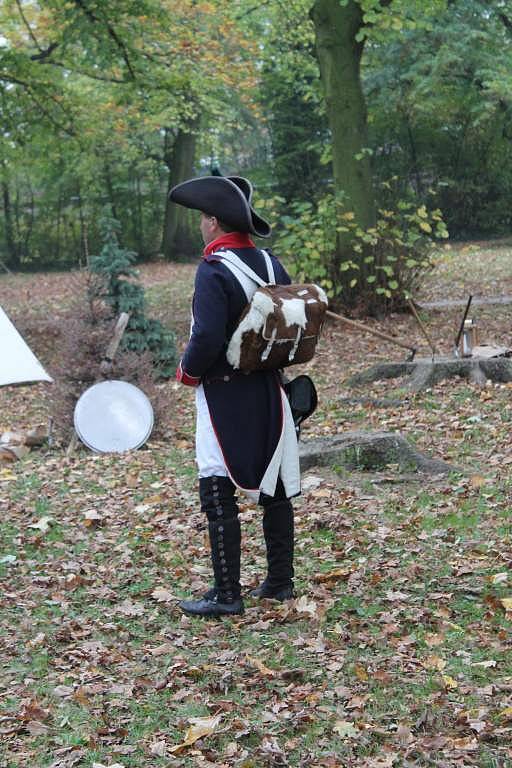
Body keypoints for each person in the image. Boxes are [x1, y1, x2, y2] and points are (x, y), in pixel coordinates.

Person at [169, 175, 300, 618]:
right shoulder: (269, 261)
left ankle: (227, 594)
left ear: (213, 222)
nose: (201, 226)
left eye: (204, 219)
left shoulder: (212, 270)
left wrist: (187, 372)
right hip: (269, 388)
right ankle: (280, 582)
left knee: (216, 485)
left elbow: (205, 336)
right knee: (276, 482)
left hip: (224, 393)